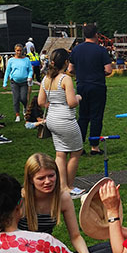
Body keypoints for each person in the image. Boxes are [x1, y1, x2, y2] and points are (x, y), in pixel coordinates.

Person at [21, 153, 103, 253]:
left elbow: (75, 236)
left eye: (51, 176)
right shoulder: (20, 199)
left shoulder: (62, 197)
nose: (47, 181)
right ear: (30, 180)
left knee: (108, 249)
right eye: (41, 178)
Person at [38, 48, 84, 196]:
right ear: (66, 62)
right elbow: (71, 102)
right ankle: (69, 186)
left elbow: (41, 101)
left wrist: (54, 105)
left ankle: (62, 187)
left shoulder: (46, 79)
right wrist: (78, 97)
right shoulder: (65, 79)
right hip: (66, 120)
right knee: (76, 152)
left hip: (52, 118)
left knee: (60, 153)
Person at [68, 24, 112, 155]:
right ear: (96, 35)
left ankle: (79, 147)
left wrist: (81, 73)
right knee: (96, 116)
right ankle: (94, 146)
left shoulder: (76, 49)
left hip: (82, 85)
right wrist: (98, 73)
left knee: (83, 116)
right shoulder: (101, 50)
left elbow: (70, 69)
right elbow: (108, 70)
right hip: (97, 85)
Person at [3, 44, 34, 123]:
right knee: (16, 98)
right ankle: (17, 115)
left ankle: (24, 107)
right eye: (17, 50)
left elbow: (30, 69)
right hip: (14, 82)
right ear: (15, 51)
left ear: (22, 51)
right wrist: (5, 83)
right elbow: (7, 71)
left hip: (24, 82)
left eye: (20, 50)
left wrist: (30, 76)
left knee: (23, 97)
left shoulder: (26, 60)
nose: (19, 52)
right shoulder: (11, 60)